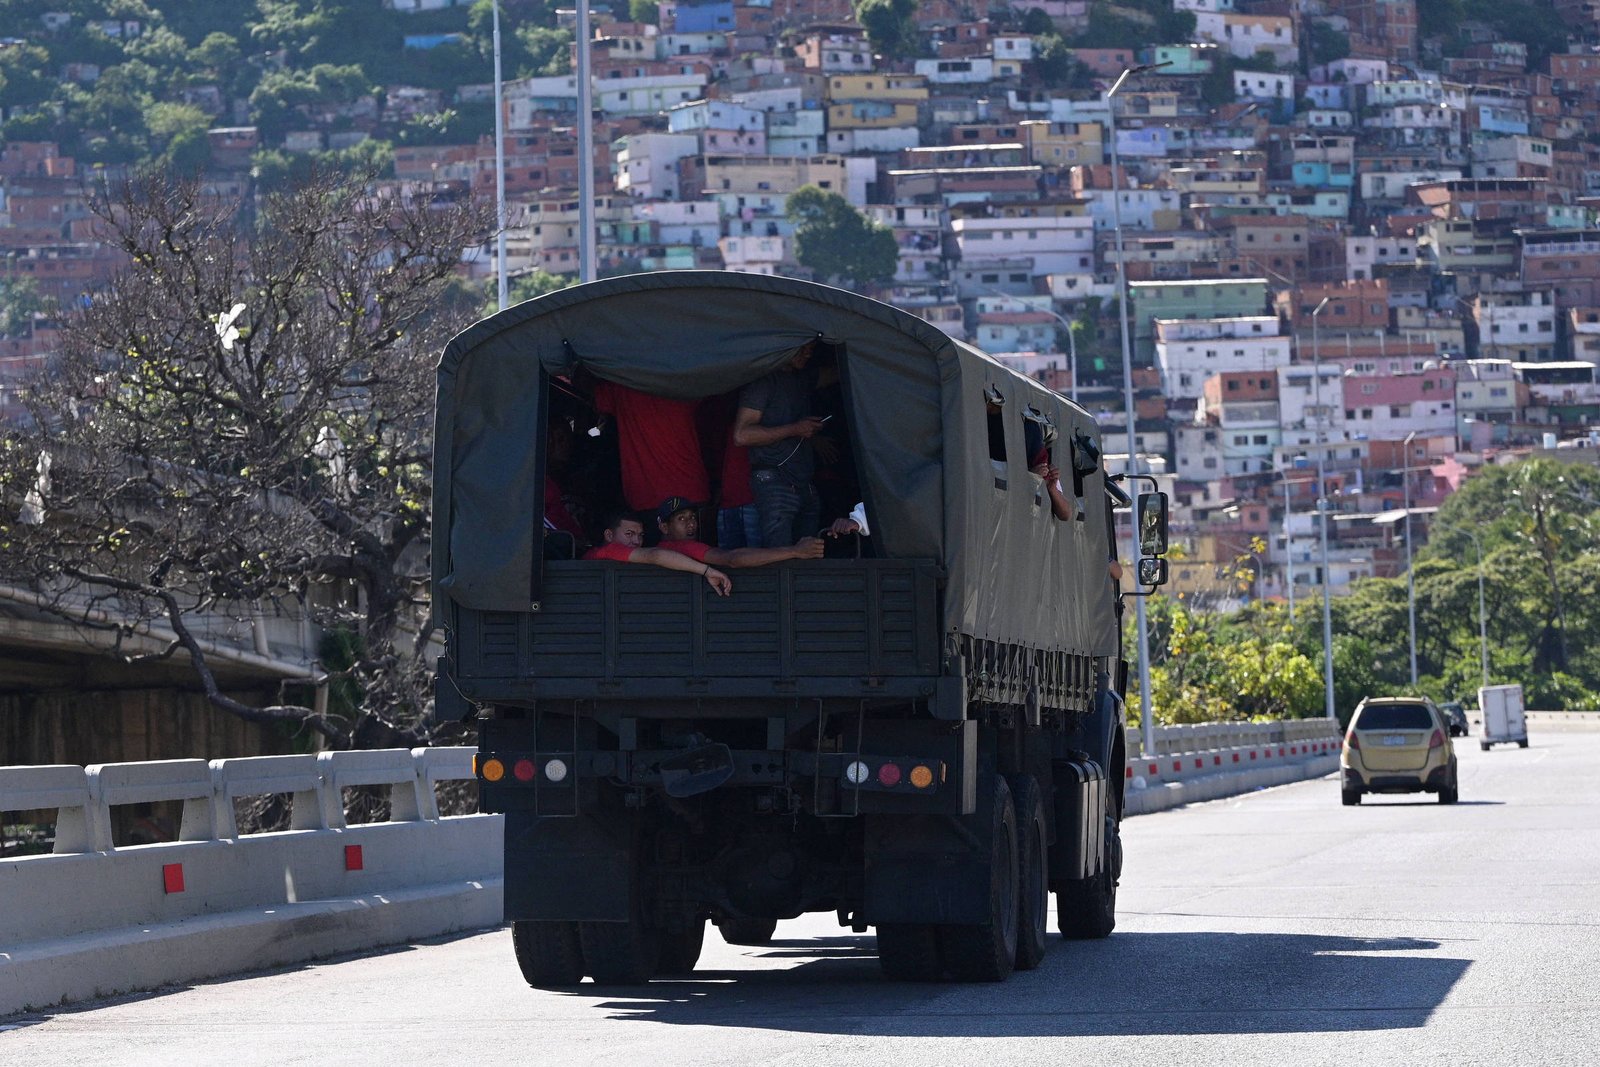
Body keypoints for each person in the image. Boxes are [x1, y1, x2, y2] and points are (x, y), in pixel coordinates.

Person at [734, 340, 830, 548]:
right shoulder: (763, 382)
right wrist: (795, 429)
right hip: (774, 481)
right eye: (801, 349)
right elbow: (742, 435)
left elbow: (838, 373)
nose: (806, 355)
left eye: (810, 350)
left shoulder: (801, 378)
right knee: (780, 555)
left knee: (809, 553)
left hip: (804, 480)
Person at [590, 378, 710, 512]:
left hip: (647, 495)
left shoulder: (621, 378)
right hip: (689, 490)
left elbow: (589, 389)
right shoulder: (687, 373)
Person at [583, 508, 732, 595]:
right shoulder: (608, 550)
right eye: (629, 534)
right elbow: (656, 555)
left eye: (640, 535)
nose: (636, 541)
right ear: (609, 535)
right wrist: (707, 571)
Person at [656, 496, 824, 567]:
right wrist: (795, 551)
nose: (691, 523)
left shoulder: (659, 550)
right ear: (664, 527)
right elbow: (733, 559)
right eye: (681, 519)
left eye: (692, 517)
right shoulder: (685, 548)